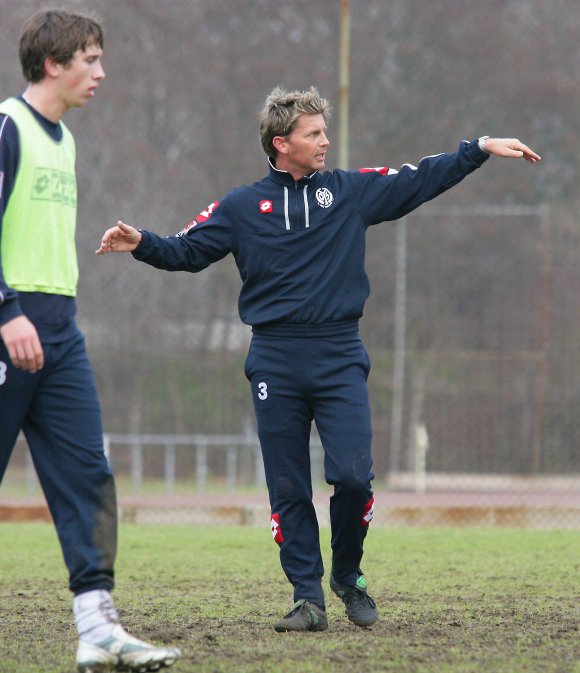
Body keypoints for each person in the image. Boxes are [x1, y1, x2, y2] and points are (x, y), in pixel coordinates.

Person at [96, 86, 540, 633]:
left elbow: (417, 180)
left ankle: (347, 576)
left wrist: (477, 148)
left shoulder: (349, 192)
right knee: (288, 487)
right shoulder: (240, 206)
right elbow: (186, 251)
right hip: (275, 359)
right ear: (282, 143)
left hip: (339, 353)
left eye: (324, 132)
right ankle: (307, 598)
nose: (325, 141)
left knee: (352, 478)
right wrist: (140, 241)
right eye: (314, 134)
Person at [0, 10, 182, 672]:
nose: (100, 73)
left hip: (60, 332)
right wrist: (5, 309)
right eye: (91, 60)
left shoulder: (65, 140)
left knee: (89, 476)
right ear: (54, 64)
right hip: (9, 326)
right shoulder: (7, 128)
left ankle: (97, 624)